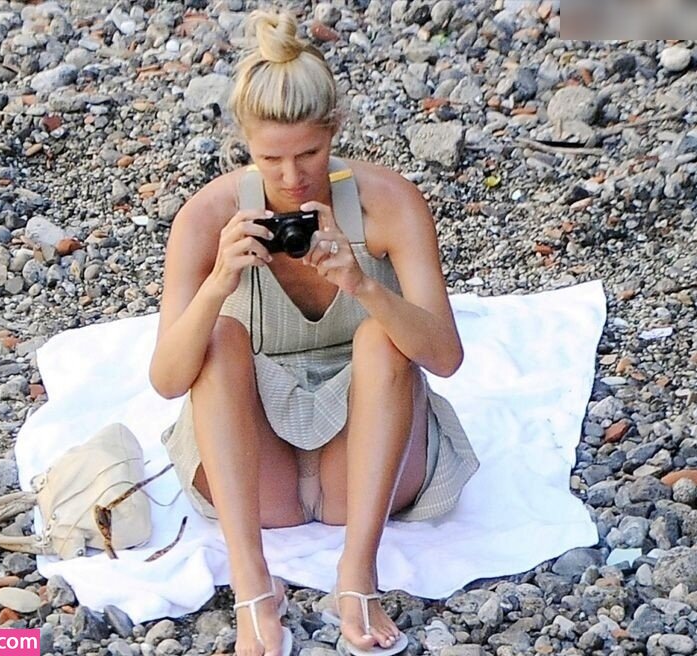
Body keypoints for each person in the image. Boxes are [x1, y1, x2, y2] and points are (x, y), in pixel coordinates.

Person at [149, 10, 479, 656]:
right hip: (259, 473)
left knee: (381, 338)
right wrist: (218, 283)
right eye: (270, 159)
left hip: (370, 466)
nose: (292, 178)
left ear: (335, 131)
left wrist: (364, 285)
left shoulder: (388, 203)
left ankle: (357, 575)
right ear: (245, 145)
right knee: (218, 338)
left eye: (309, 155)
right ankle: (253, 586)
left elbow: (445, 357)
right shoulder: (207, 217)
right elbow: (166, 379)